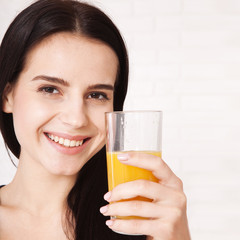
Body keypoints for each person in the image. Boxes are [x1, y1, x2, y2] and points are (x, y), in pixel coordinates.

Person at [0, 0, 191, 239]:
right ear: (7, 95)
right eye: (50, 89)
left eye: (97, 95)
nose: (76, 119)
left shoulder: (140, 225)